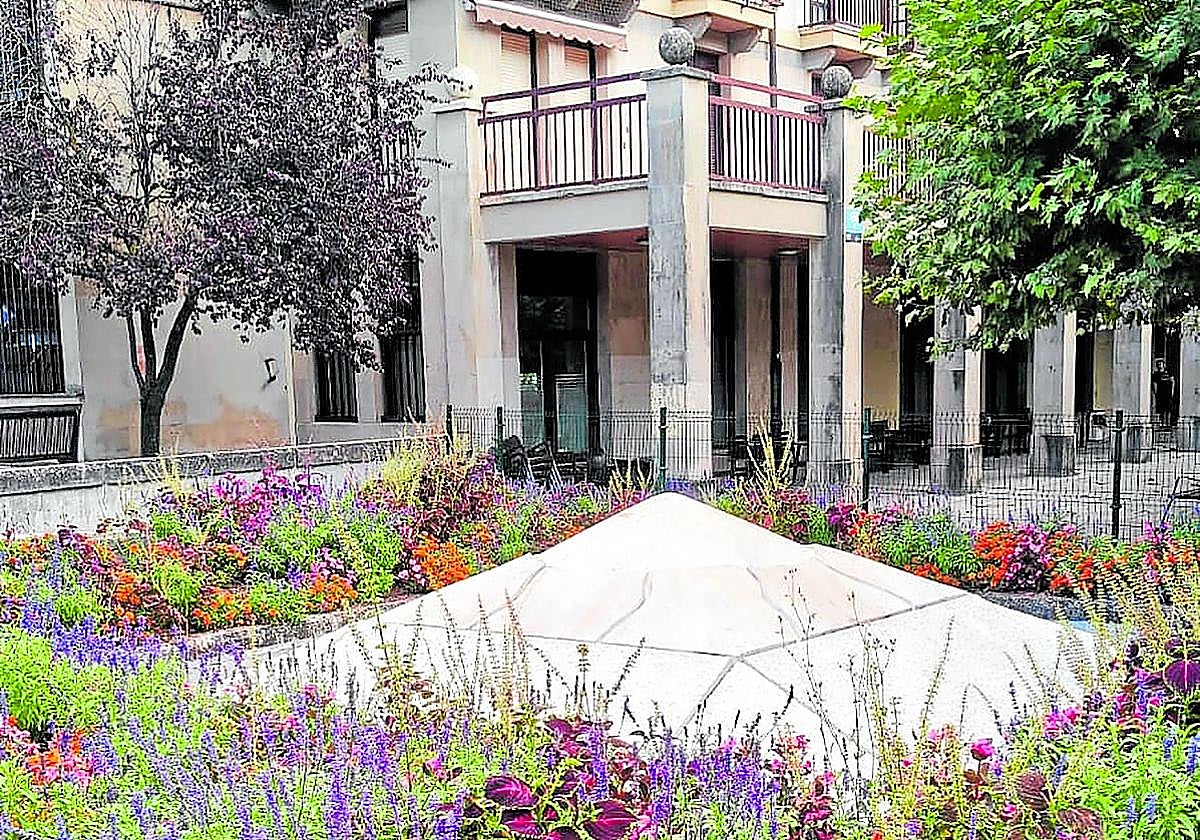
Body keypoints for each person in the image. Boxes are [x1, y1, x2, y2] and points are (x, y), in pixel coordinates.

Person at [1151, 357, 1177, 427]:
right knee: (1161, 410)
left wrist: (1172, 392)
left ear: (1163, 365)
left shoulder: (1168, 372)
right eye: (1158, 364)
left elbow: (1172, 381)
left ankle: (1168, 423)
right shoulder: (1156, 374)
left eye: (1161, 364)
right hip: (1160, 394)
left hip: (1168, 394)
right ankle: (1162, 423)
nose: (1159, 365)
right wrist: (1156, 393)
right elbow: (1154, 383)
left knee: (1168, 409)